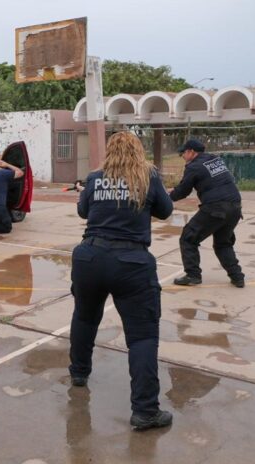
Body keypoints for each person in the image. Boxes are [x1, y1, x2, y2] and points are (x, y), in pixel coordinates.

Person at [68, 131, 174, 431]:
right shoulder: (148, 176)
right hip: (131, 262)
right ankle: (145, 411)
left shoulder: (94, 177)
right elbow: (166, 211)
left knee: (85, 318)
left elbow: (83, 211)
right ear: (138, 150)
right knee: (142, 336)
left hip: (89, 256)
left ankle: (78, 372)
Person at [169, 139, 244, 288]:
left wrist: (165, 197)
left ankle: (192, 275)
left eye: (183, 153)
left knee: (188, 238)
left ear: (191, 152)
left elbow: (183, 191)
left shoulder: (194, 166)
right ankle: (237, 277)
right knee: (223, 243)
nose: (182, 156)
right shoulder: (215, 159)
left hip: (215, 208)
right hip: (235, 206)